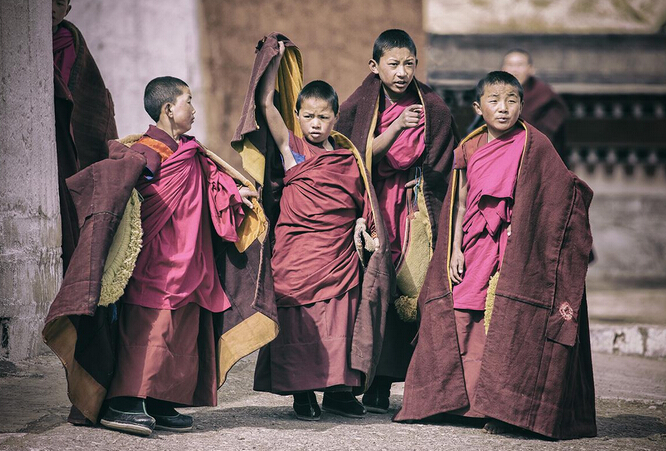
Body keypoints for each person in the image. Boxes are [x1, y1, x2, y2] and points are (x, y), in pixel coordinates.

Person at [43, 76, 279, 437]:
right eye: (188, 101)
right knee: (150, 328)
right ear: (168, 109)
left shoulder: (192, 152)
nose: (194, 109)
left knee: (180, 332)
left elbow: (213, 186)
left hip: (191, 260)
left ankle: (160, 401)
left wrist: (235, 196)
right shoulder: (141, 153)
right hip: (155, 259)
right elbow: (118, 191)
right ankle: (124, 401)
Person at [394, 71, 597, 440]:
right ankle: (459, 404)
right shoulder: (470, 147)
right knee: (461, 311)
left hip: (515, 248)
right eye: (494, 101)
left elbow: (558, 192)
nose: (503, 108)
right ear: (478, 107)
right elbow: (459, 201)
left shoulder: (534, 146)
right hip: (474, 245)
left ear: (521, 106)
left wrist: (526, 233)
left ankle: (500, 407)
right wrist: (455, 248)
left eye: (511, 101)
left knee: (505, 320)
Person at [235, 35, 391, 421]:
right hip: (298, 252)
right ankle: (301, 392)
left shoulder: (347, 156)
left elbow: (361, 197)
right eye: (308, 117)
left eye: (323, 117)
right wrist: (273, 59)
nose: (316, 124)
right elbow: (266, 104)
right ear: (298, 116)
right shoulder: (292, 149)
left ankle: (339, 392)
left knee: (342, 319)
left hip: (338, 253)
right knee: (298, 321)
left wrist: (366, 227)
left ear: (336, 118)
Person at [337, 29, 458, 413]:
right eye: (393, 64)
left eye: (409, 64)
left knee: (410, 291)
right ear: (375, 66)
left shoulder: (433, 108)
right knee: (371, 288)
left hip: (413, 210)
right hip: (372, 204)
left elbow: (445, 167)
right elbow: (351, 155)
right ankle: (361, 382)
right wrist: (397, 127)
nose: (402, 72)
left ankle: (390, 384)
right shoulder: (361, 105)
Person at [52, 0, 118, 276]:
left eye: (59, 3)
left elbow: (87, 101)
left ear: (67, 10)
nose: (52, 8)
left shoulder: (69, 42)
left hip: (69, 137)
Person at [468, 49, 569, 160]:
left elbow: (546, 135)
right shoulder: (491, 91)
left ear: (531, 69)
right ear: (502, 69)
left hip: (532, 154)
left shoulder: (544, 95)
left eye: (520, 65)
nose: (514, 70)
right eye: (510, 65)